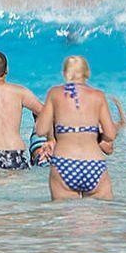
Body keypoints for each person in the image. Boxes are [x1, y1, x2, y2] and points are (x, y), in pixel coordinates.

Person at [36, 55, 118, 200]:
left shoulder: (54, 93)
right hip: (94, 163)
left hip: (64, 163)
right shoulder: (98, 96)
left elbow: (40, 130)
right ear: (87, 73)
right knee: (103, 218)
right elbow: (110, 134)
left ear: (64, 73)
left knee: (65, 219)